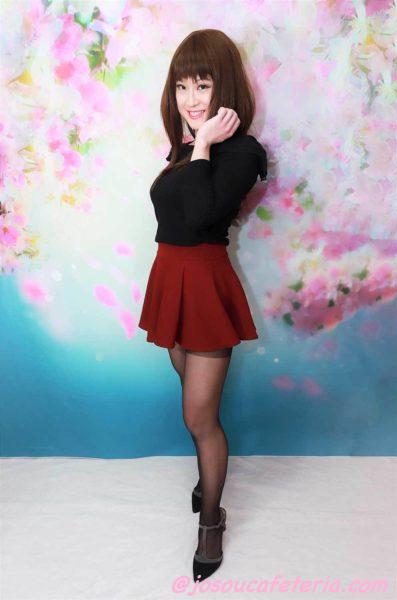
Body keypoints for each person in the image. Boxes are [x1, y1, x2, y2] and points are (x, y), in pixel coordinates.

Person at [138, 29, 268, 582]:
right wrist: (194, 146)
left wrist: (204, 145)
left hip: (206, 285)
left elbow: (199, 217)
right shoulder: (185, 148)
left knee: (198, 415)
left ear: (226, 86)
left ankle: (212, 521)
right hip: (170, 279)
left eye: (203, 84)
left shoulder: (243, 152)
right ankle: (204, 476)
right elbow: (171, 217)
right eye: (182, 86)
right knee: (191, 394)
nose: (191, 98)